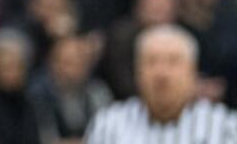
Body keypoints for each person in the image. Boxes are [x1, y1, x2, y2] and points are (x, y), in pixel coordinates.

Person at [86, 25, 237, 143]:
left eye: (173, 61)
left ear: (193, 73)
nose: (161, 73)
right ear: (137, 73)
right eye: (151, 62)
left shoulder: (225, 127)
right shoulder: (108, 125)